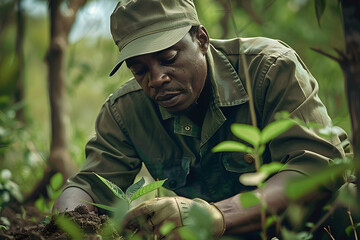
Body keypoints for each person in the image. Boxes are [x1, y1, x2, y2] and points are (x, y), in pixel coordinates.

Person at [53, 0, 347, 239]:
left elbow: (318, 166)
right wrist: (64, 228)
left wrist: (217, 216)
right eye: (139, 69)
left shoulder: (269, 69)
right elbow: (89, 186)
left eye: (168, 59)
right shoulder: (126, 110)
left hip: (310, 222)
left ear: (201, 39)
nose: (156, 79)